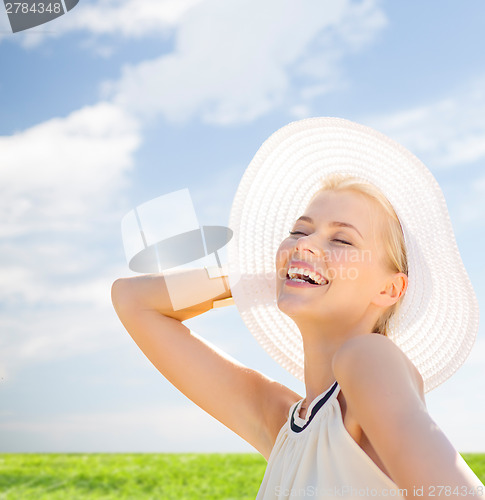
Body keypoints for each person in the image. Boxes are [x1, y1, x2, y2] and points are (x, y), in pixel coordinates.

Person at [111, 117, 484, 498]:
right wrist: (273, 272)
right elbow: (134, 301)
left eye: (342, 240)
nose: (306, 243)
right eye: (300, 231)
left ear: (390, 289)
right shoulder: (284, 426)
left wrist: (300, 266)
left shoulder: (369, 357)